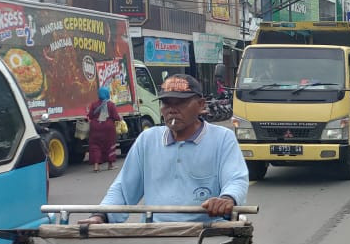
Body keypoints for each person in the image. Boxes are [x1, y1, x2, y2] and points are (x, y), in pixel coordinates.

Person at [83, 74, 248, 224]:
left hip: (205, 233)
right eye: (166, 103)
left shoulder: (222, 138)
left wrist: (227, 198)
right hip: (156, 234)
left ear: (201, 105)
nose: (172, 109)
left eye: (181, 103)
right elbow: (122, 188)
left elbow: (235, 179)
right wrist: (100, 216)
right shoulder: (147, 140)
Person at [86, 86, 121, 172]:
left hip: (95, 128)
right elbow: (116, 117)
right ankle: (110, 165)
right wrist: (120, 118)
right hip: (108, 128)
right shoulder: (111, 105)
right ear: (107, 94)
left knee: (95, 146)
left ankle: (96, 166)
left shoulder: (94, 105)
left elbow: (90, 116)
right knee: (109, 145)